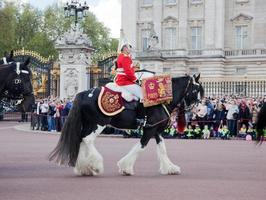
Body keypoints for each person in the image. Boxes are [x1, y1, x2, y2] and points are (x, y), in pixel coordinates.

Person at [114, 43, 146, 126]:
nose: (130, 50)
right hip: (125, 81)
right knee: (143, 94)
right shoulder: (125, 58)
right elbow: (128, 72)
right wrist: (136, 80)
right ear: (124, 48)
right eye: (129, 48)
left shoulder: (121, 56)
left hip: (122, 80)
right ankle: (140, 118)